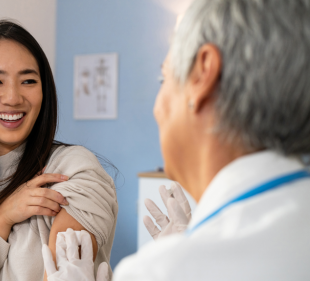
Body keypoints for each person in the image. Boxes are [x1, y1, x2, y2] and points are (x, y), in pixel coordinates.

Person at [43, 0, 310, 280]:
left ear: (203, 73)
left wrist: (179, 261)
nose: (157, 107)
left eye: (164, 77)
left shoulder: (162, 271)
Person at [0, 20, 118, 281]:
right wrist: (2, 219)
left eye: (28, 80)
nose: (13, 97)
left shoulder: (72, 170)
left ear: (45, 91)